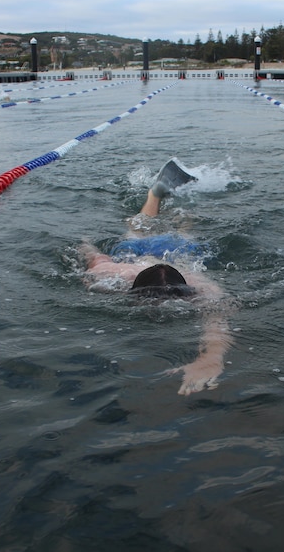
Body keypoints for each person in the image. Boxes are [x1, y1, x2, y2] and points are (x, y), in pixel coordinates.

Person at [79, 159, 235, 395]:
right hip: (167, 253)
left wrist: (85, 246)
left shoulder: (112, 273)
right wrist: (211, 357)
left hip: (162, 253)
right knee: (160, 231)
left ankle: (157, 196)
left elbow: (92, 255)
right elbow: (217, 322)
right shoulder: (200, 285)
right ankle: (167, 199)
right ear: (184, 289)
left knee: (163, 229)